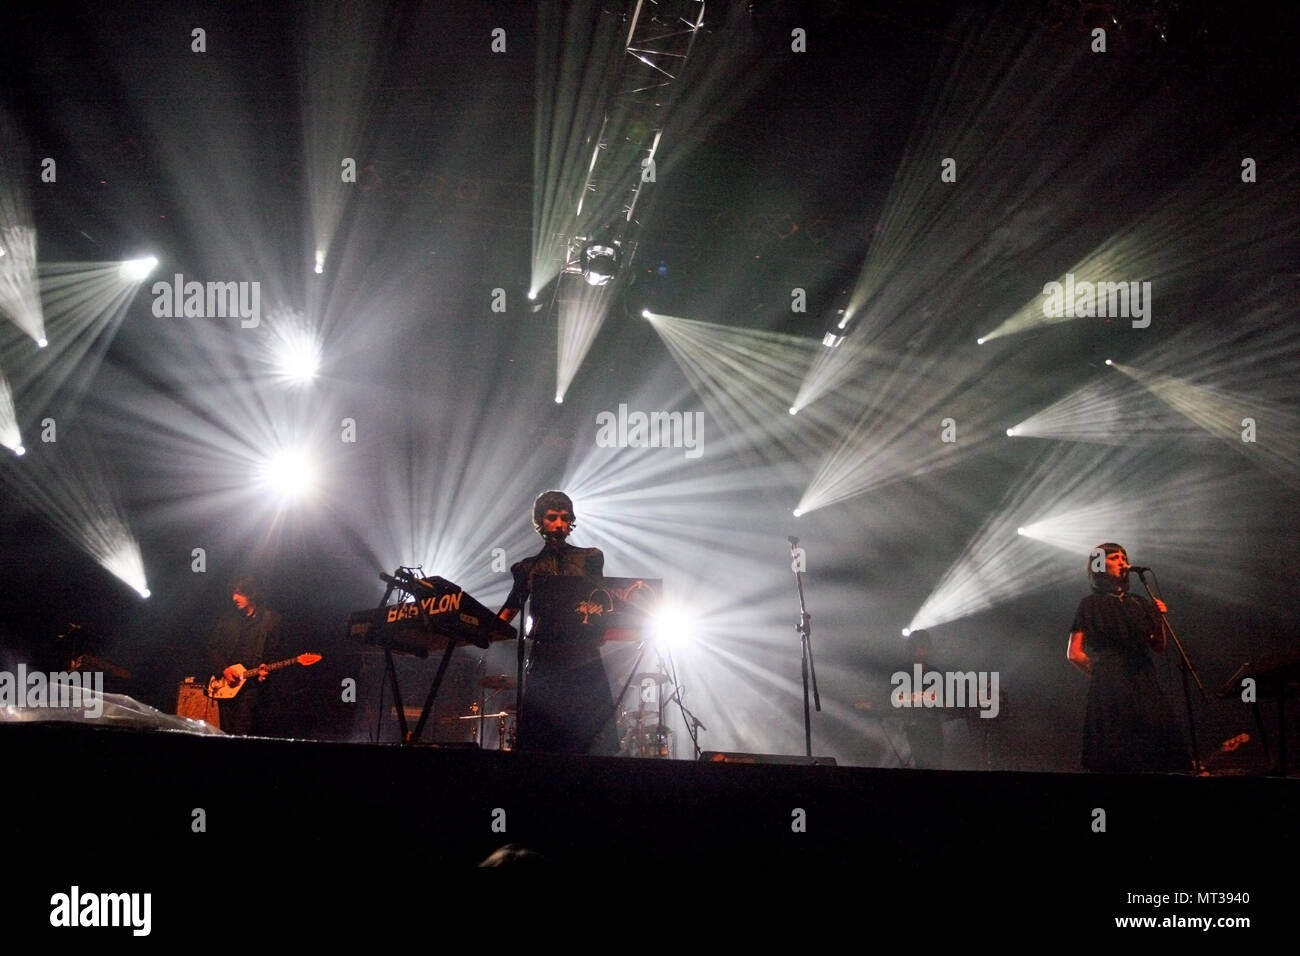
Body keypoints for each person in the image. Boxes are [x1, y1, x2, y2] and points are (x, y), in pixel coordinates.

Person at [498, 491, 618, 755]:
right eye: (553, 518)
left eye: (565, 518)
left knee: (589, 733)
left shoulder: (590, 557)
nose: (560, 524)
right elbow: (509, 610)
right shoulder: (527, 568)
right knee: (543, 736)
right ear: (540, 522)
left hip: (583, 655)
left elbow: (601, 599)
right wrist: (471, 628)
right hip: (546, 659)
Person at [1066, 543, 1187, 773]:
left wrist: (1158, 618)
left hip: (1143, 677)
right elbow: (1074, 652)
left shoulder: (1139, 602)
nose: (1122, 562)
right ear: (1100, 565)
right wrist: (1101, 672)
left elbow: (1158, 647)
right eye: (1114, 557)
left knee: (1156, 741)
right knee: (1116, 747)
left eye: (1124, 557)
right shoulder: (1089, 604)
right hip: (1110, 682)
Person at [204, 576, 283, 735]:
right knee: (226, 731)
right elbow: (211, 648)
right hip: (226, 685)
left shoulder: (271, 620)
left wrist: (266, 669)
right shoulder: (228, 619)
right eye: (233, 593)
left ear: (252, 594)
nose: (234, 598)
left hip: (252, 688)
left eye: (239, 593)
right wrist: (224, 669)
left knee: (243, 730)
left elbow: (277, 653)